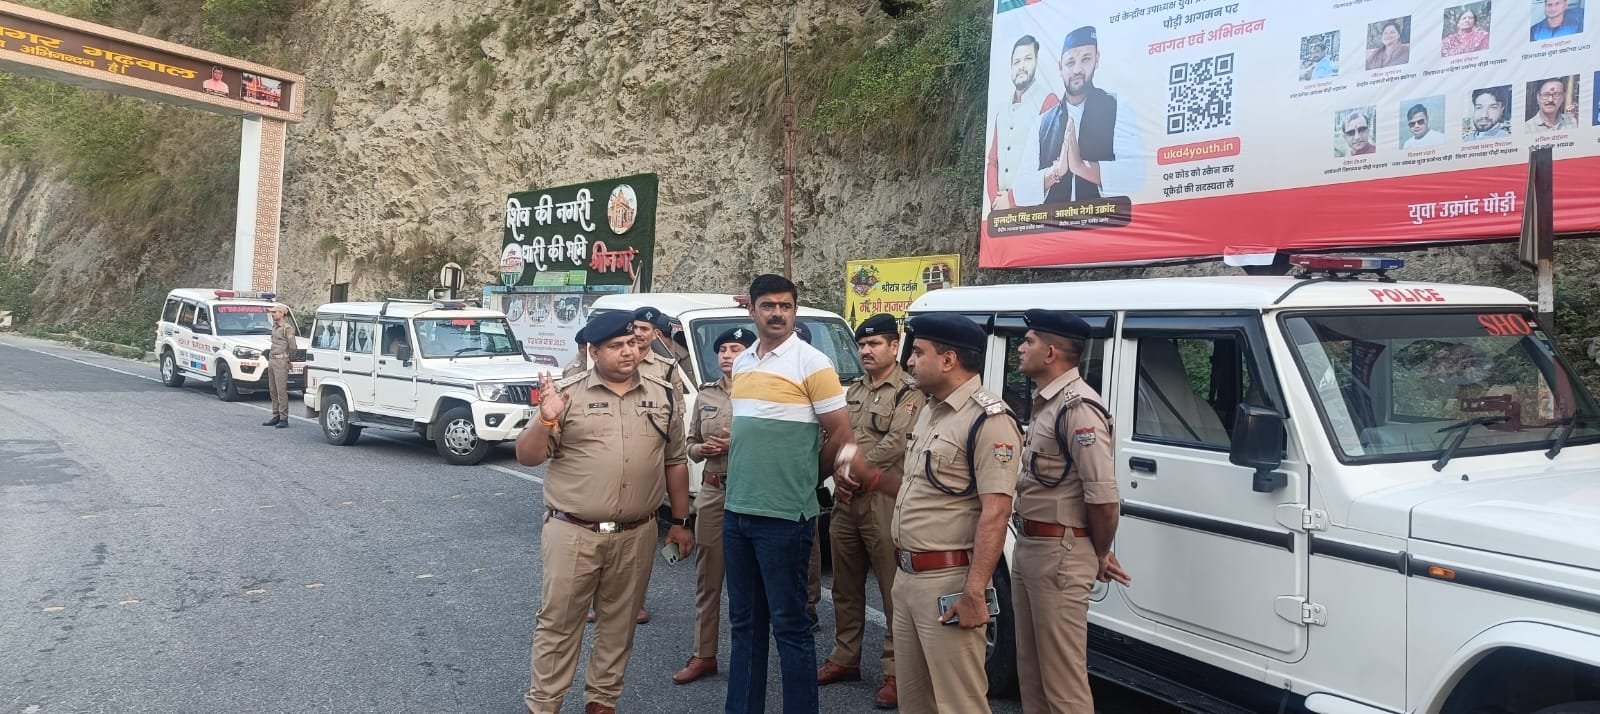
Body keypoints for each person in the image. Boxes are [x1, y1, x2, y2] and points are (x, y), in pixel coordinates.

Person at [835, 313, 1021, 713]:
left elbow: (996, 511)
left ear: (948, 359)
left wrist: (974, 592)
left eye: (918, 353)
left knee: (959, 702)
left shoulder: (989, 420)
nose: (910, 361)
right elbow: (920, 489)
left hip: (948, 580)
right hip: (908, 577)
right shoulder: (932, 411)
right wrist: (872, 476)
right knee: (916, 701)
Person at [514, 311, 693, 714]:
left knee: (620, 623)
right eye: (616, 346)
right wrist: (545, 419)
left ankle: (602, 702)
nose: (628, 351)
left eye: (632, 342)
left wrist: (681, 522)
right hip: (574, 531)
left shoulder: (663, 392)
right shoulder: (567, 393)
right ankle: (544, 704)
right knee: (559, 623)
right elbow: (527, 456)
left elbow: (675, 459)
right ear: (593, 352)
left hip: (637, 532)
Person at [723, 274, 868, 714]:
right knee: (745, 626)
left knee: (790, 628)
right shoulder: (742, 363)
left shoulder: (813, 362)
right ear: (752, 310)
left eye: (785, 306)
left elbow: (841, 435)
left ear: (795, 311)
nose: (777, 314)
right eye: (768, 306)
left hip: (786, 517)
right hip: (737, 510)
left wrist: (805, 479)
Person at [1010, 310, 1132, 714]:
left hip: (1059, 552)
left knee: (1062, 682)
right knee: (1032, 673)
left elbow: (1103, 497)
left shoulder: (1078, 408)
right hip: (1032, 545)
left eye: (1028, 341)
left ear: (1051, 353)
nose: (1020, 348)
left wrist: (1099, 551)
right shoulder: (1047, 403)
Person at [817, 313, 923, 709]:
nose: (866, 350)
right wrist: (838, 472)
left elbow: (897, 442)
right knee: (845, 585)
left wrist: (855, 471)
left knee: (893, 588)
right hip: (847, 499)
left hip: (883, 497)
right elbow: (835, 436)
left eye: (875, 343)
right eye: (862, 344)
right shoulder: (853, 391)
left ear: (894, 347)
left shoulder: (909, 391)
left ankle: (896, 671)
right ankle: (845, 657)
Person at [673, 326, 755, 685]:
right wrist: (700, 449)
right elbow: (689, 443)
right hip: (712, 492)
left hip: (750, 491)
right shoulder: (707, 394)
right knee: (708, 578)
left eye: (735, 349)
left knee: (749, 579)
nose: (726, 355)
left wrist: (736, 445)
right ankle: (703, 653)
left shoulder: (762, 392)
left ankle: (748, 656)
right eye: (722, 350)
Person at [1040, 26, 1137, 202]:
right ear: (1060, 67)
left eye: (1085, 59)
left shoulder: (1118, 107)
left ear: (1096, 59)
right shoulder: (1043, 122)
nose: (1077, 70)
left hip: (1104, 217)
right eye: (1070, 62)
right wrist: (1057, 171)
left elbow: (1136, 175)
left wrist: (1080, 166)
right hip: (1052, 219)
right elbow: (1021, 186)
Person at [985, 35, 1059, 211]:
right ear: (1011, 67)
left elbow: (1053, 164)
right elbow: (993, 161)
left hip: (1034, 210)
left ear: (1036, 62)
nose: (1021, 66)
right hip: (1001, 210)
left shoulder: (1049, 102)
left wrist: (1011, 200)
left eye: (1027, 59)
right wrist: (996, 200)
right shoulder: (1001, 112)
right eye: (1016, 62)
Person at [262, 305, 294, 428]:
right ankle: (276, 415)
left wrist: (289, 360)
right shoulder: (275, 327)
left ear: (282, 313)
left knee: (281, 391)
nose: (272, 314)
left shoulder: (287, 328)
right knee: (273, 390)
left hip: (281, 360)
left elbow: (292, 346)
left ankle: (284, 418)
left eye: (275, 312)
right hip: (272, 359)